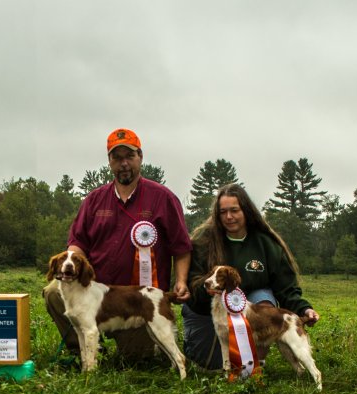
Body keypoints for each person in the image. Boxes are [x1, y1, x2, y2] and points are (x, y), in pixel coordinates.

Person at [44, 128, 192, 361]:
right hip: (93, 290)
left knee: (136, 360)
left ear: (140, 157)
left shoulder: (163, 198)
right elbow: (77, 243)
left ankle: (142, 347)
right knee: (53, 291)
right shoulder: (94, 200)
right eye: (117, 158)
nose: (124, 164)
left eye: (129, 157)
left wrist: (181, 281)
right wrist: (71, 264)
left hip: (135, 300)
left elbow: (181, 248)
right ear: (110, 162)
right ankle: (85, 351)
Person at [183, 183, 319, 370]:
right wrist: (209, 290)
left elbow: (286, 288)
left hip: (250, 308)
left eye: (234, 210)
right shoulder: (204, 241)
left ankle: (254, 366)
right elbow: (192, 284)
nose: (229, 217)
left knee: (263, 297)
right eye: (223, 212)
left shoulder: (266, 244)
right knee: (209, 364)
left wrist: (304, 309)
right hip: (207, 310)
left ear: (246, 211)